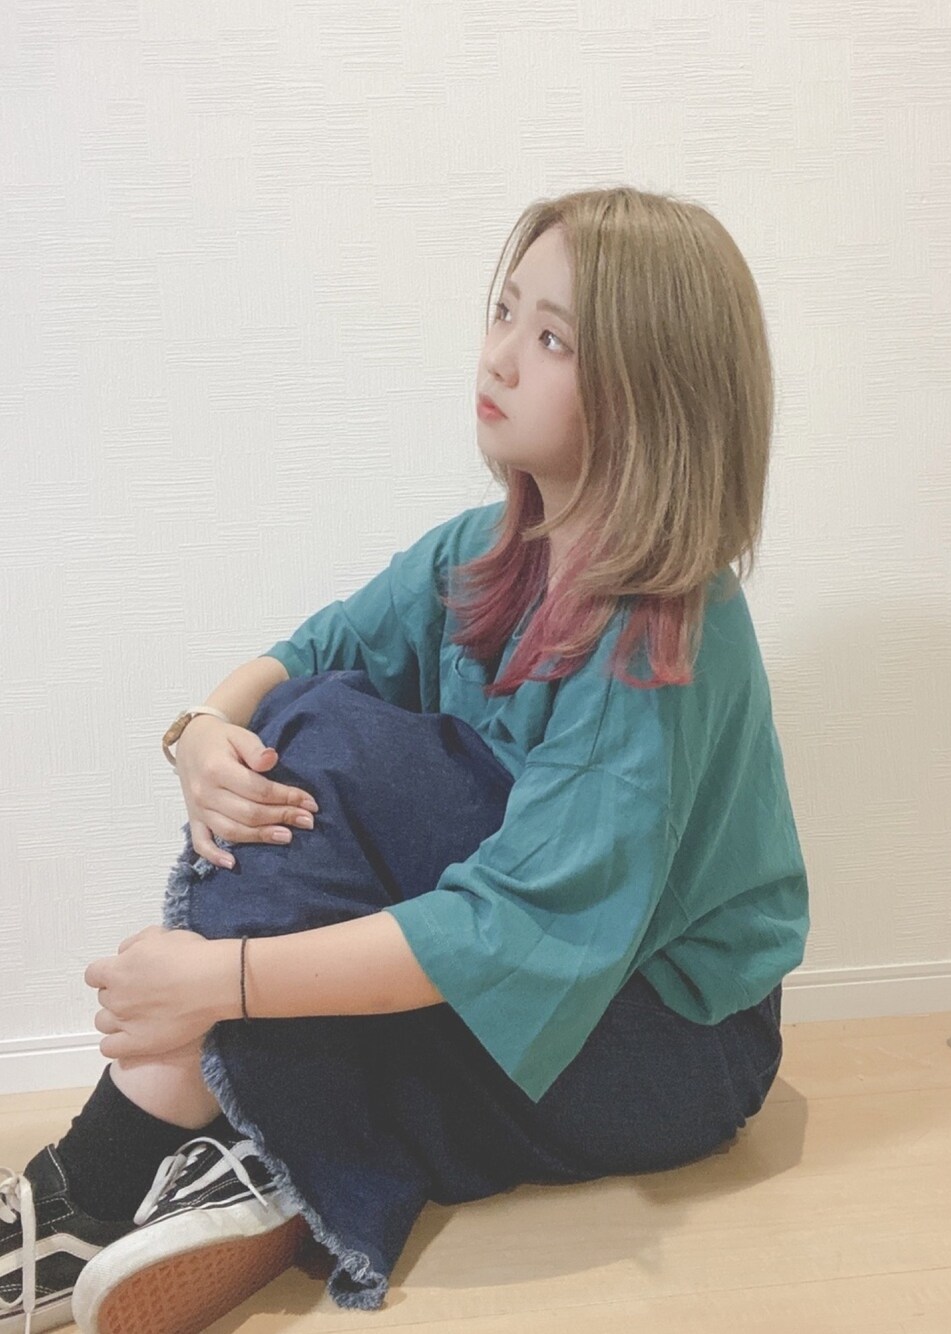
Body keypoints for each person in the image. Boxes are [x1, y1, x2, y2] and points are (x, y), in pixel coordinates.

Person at [0, 185, 809, 1334]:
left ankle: (147, 1153)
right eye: (503, 310)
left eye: (553, 339)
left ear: (654, 393)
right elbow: (315, 653)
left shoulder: (656, 638)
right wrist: (202, 730)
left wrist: (214, 984)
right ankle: (244, 1149)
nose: (499, 355)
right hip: (556, 981)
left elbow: (517, 927)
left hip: (669, 1044)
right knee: (311, 711)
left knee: (329, 751)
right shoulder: (490, 549)